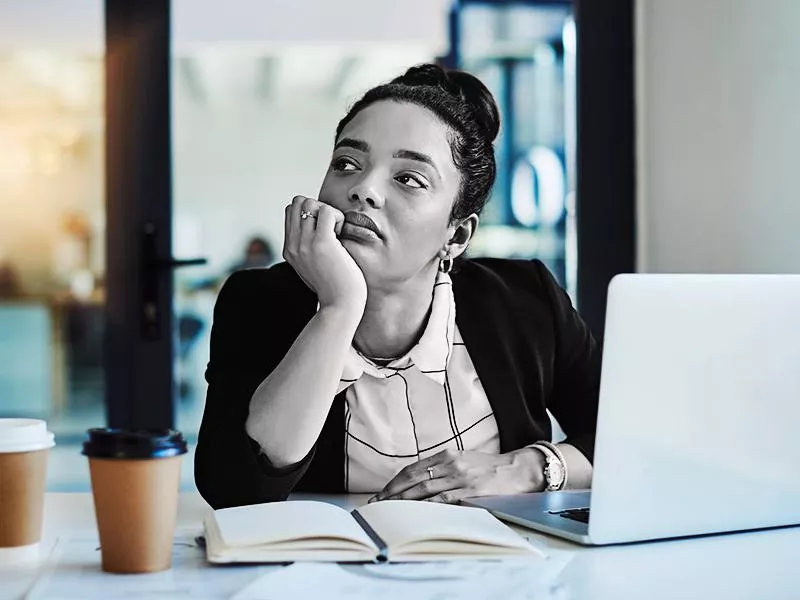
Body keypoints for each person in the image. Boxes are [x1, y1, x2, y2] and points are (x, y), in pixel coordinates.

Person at [195, 64, 600, 510]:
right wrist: (338, 308)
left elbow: (632, 441)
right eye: (347, 164)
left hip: (502, 563)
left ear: (457, 235)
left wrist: (529, 468)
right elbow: (234, 489)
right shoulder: (257, 302)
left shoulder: (527, 299)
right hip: (329, 569)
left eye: (409, 178)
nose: (363, 189)